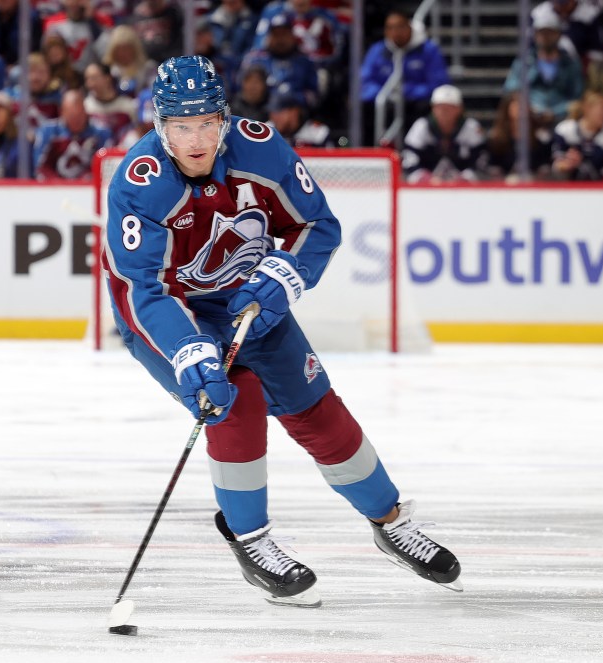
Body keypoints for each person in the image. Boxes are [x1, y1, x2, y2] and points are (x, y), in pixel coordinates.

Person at [103, 55, 462, 607]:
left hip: (250, 302)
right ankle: (252, 542)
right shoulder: (138, 184)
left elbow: (317, 224)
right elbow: (142, 290)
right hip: (170, 315)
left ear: (223, 120)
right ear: (160, 126)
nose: (195, 139)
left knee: (317, 411)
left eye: (205, 123)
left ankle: (390, 521)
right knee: (233, 398)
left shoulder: (262, 148)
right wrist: (188, 348)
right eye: (181, 126)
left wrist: (284, 274)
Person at [359, 11, 449, 146]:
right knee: (361, 108)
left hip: (416, 104)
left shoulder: (428, 50)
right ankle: (363, 150)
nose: (395, 32)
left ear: (409, 27)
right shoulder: (378, 50)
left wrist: (406, 91)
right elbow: (364, 82)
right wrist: (386, 93)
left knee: (427, 109)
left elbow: (439, 84)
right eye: (390, 28)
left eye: (400, 27)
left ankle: (418, 152)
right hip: (386, 101)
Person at [502, 10, 584, 125]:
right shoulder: (524, 61)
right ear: (535, 35)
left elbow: (577, 95)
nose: (545, 37)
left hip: (562, 117)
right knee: (514, 108)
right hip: (530, 118)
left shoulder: (571, 63)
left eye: (550, 33)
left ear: (558, 34)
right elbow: (510, 88)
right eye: (541, 33)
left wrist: (555, 112)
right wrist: (529, 108)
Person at [401, 84, 488, 183]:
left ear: (460, 109)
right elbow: (408, 157)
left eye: (450, 107)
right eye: (440, 107)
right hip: (427, 186)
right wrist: (424, 177)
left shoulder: (471, 127)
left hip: (464, 187)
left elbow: (481, 160)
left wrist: (465, 178)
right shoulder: (421, 126)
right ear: (433, 108)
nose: (444, 112)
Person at [32, 87, 111, 179]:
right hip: (54, 189)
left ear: (85, 111)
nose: (76, 121)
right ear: (62, 112)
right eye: (72, 116)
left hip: (89, 188)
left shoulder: (101, 133)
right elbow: (40, 168)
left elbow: (107, 167)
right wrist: (57, 185)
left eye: (79, 115)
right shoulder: (48, 132)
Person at [552, 90, 603, 180]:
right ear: (587, 108)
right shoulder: (565, 130)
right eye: (602, 108)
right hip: (566, 190)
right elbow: (557, 164)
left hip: (598, 191)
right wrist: (568, 164)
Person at [484, 91, 555, 181]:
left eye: (523, 105)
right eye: (516, 105)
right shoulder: (496, 137)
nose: (520, 109)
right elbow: (492, 164)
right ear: (508, 109)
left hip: (534, 181)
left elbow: (545, 162)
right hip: (504, 183)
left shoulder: (540, 136)